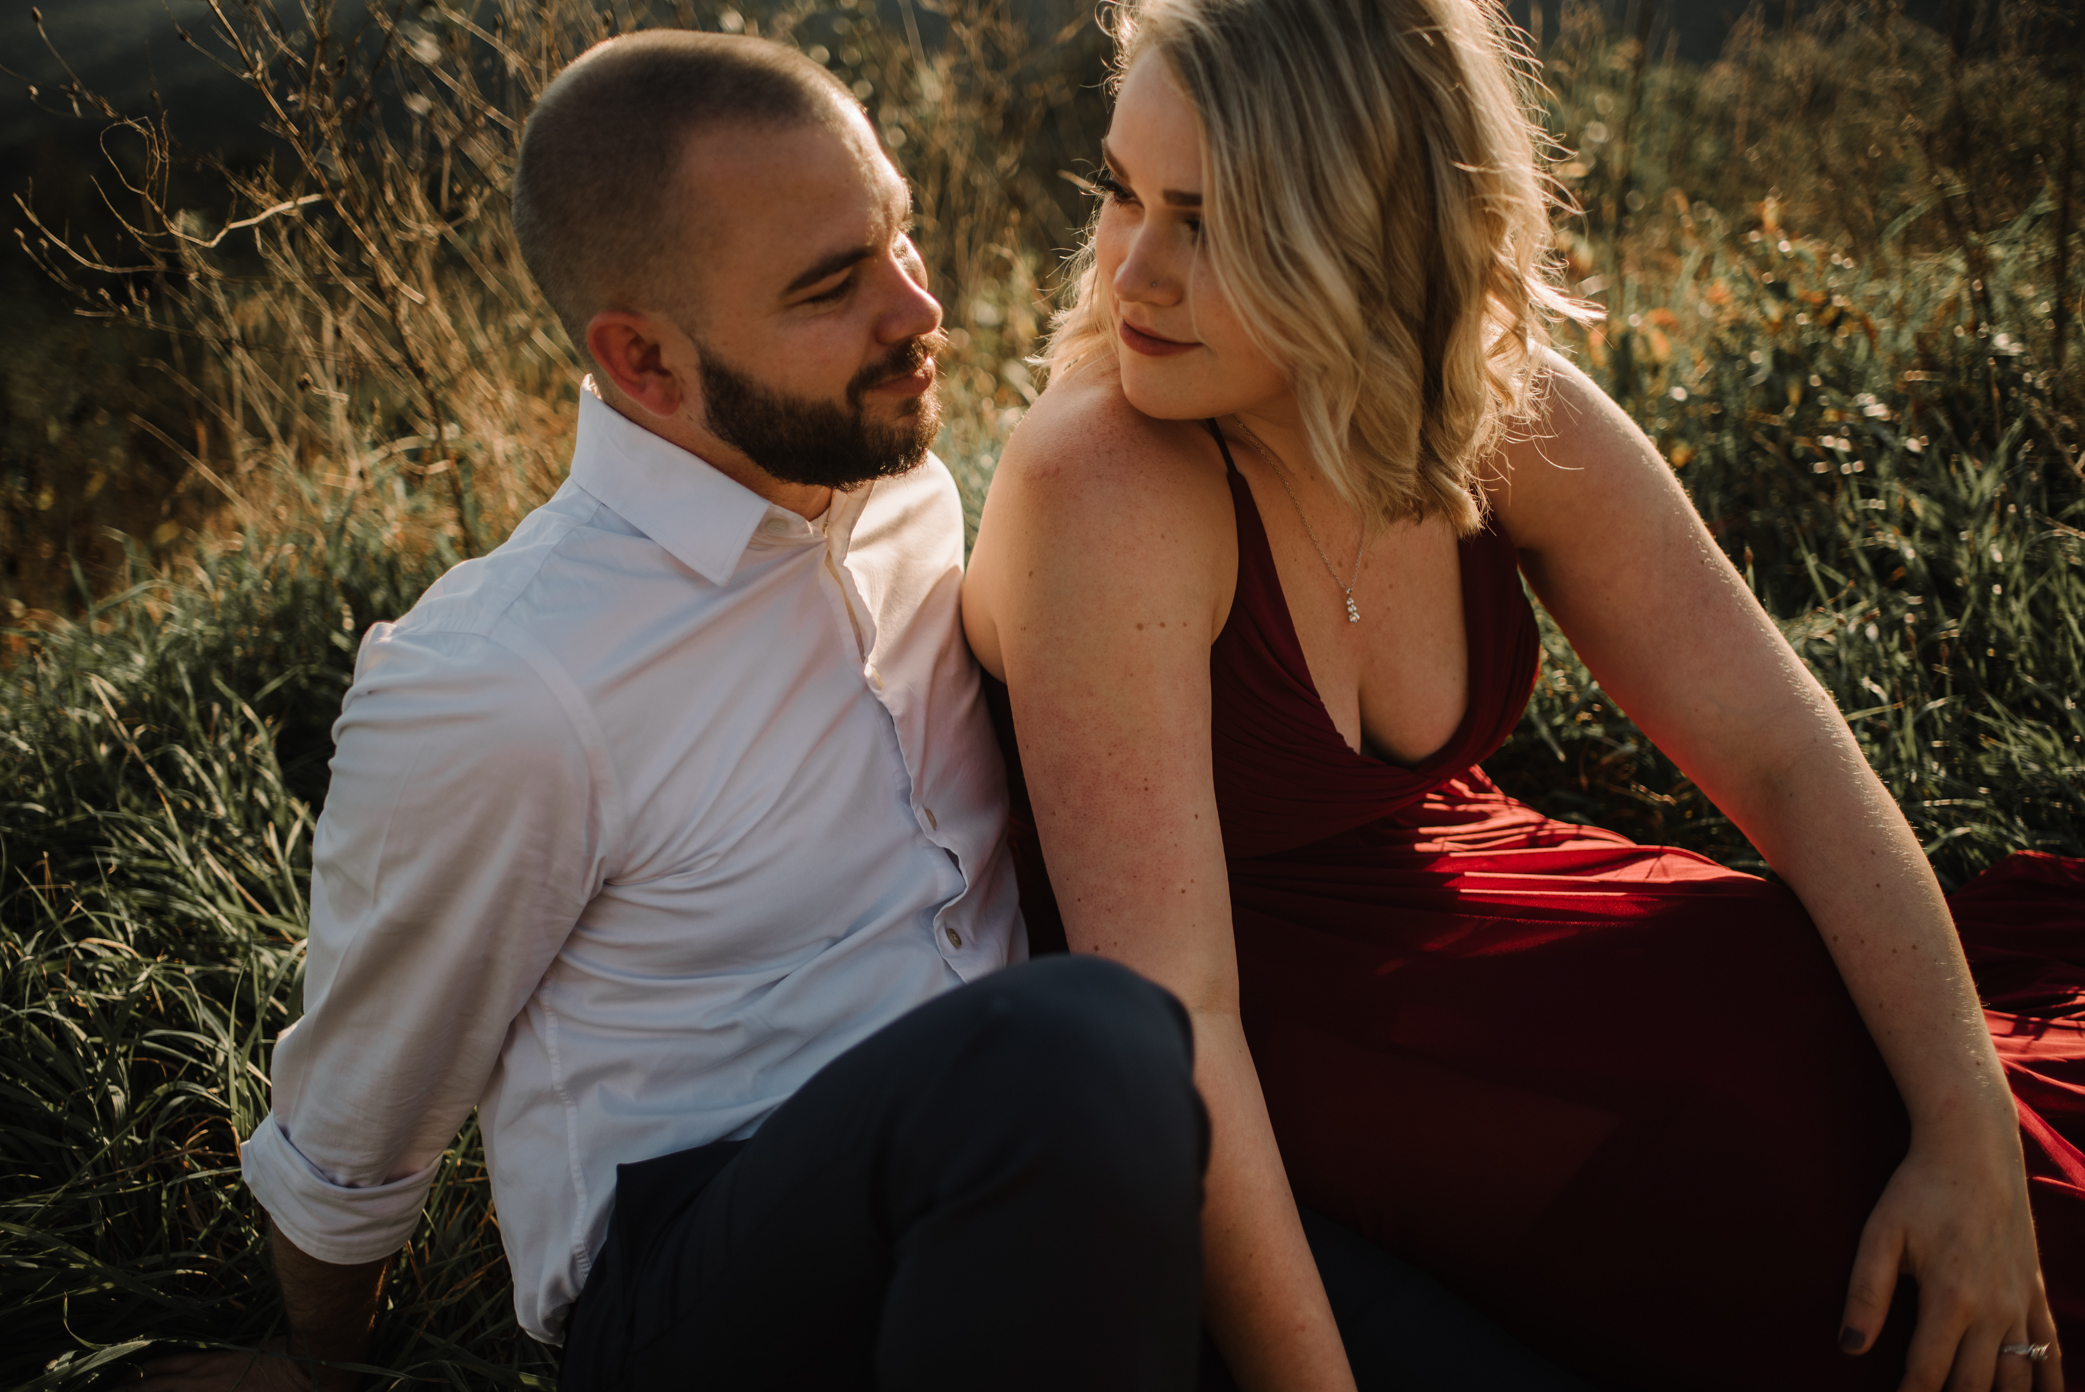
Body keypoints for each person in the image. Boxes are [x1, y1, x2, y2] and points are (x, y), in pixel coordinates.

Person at [961, 1, 2085, 1390]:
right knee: (1826, 1224)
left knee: (1959, 1135)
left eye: (1205, 218)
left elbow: (1784, 755)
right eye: (1122, 194)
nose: (1129, 268)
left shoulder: (1498, 412)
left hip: (1527, 944)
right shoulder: (1108, 484)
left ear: (1369, 233)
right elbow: (1171, 1015)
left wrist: (1963, 1127)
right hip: (1303, 1053)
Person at [134, 32, 1215, 1392]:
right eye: (833, 287)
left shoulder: (905, 490)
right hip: (708, 1287)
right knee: (1075, 1040)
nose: (918, 311)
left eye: (902, 242)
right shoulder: (510, 682)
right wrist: (314, 1357)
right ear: (643, 362)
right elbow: (368, 1099)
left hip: (1033, 1194)